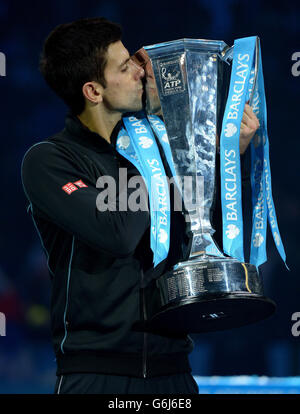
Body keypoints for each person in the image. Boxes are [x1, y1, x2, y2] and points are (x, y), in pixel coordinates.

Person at [21, 17, 259, 394]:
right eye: (124, 66)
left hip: (175, 374)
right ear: (93, 91)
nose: (139, 71)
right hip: (96, 377)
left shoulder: (160, 148)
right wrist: (157, 145)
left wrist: (224, 156)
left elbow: (202, 232)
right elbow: (117, 232)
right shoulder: (50, 160)